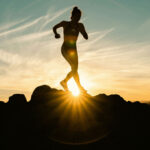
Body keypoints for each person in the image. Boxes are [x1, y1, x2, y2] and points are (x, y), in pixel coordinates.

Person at [53, 6, 88, 92]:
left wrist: (84, 33)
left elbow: (85, 36)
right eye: (77, 17)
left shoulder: (80, 25)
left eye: (79, 17)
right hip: (65, 48)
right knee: (74, 68)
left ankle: (66, 83)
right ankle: (73, 85)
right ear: (72, 16)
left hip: (73, 50)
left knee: (75, 69)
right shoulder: (65, 23)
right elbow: (54, 27)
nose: (78, 19)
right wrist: (56, 34)